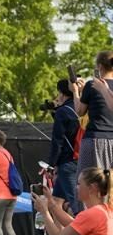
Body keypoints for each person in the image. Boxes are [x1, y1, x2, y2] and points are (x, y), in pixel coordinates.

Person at [74, 49, 113, 173]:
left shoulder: (92, 85)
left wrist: (75, 91)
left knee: (87, 178)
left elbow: (80, 111)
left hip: (94, 138)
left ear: (99, 66)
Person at [48, 79, 82, 214]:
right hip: (82, 156)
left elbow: (58, 140)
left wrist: (51, 164)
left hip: (68, 161)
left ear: (61, 93)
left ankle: (83, 225)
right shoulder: (83, 109)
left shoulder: (62, 111)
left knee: (77, 204)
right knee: (56, 201)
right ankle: (59, 229)